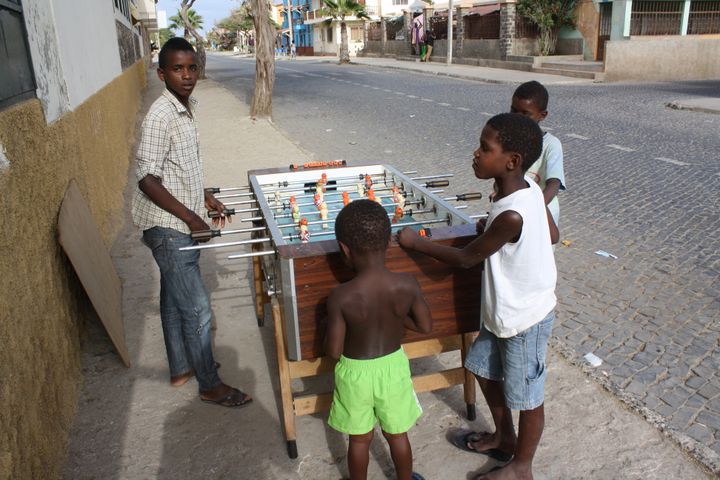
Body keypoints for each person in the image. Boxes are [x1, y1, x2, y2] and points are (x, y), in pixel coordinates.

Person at [398, 113, 559, 480]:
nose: (476, 153)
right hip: (504, 313)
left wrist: (415, 243)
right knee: (483, 368)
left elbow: (468, 258)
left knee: (528, 397)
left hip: (526, 317)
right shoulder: (526, 191)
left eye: (485, 149)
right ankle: (504, 438)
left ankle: (521, 467)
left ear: (512, 161)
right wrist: (497, 233)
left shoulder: (513, 213)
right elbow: (551, 232)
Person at [131, 38, 252, 408]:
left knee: (172, 299)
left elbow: (177, 169)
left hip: (177, 216)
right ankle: (209, 384)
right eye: (177, 69)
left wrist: (203, 197)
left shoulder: (186, 106)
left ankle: (182, 368)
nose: (186, 76)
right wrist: (192, 217)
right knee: (197, 309)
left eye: (191, 68)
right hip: (166, 226)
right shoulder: (161, 114)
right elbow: (147, 178)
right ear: (161, 73)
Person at [325, 199, 432, 480]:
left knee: (359, 440)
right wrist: (398, 319)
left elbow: (334, 350)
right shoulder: (407, 283)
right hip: (393, 368)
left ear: (344, 249)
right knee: (397, 434)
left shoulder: (340, 296)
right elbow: (425, 325)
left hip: (355, 373)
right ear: (388, 241)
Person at [510, 81, 566, 226]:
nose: (517, 118)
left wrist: (534, 207)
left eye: (525, 114)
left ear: (542, 115)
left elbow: (554, 183)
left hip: (542, 213)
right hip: (514, 211)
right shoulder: (509, 139)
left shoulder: (551, 145)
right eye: (513, 110)